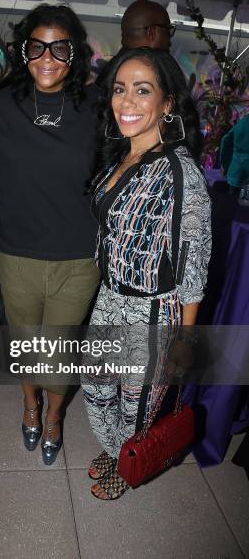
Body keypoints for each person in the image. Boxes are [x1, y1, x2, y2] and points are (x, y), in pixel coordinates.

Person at [82, 47, 211, 499]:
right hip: (110, 296)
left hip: (153, 309)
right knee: (96, 388)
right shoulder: (121, 155)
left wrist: (185, 341)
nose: (127, 101)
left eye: (142, 90)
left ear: (168, 102)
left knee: (136, 407)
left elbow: (194, 263)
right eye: (120, 89)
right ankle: (116, 447)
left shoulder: (181, 171)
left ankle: (128, 462)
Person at [0, 4, 100, 465]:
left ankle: (54, 415)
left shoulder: (95, 107)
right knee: (24, 342)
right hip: (16, 251)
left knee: (59, 348)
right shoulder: (1, 101)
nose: (48, 56)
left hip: (78, 256)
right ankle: (29, 407)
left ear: (74, 53)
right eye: (37, 46)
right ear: (23, 49)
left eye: (59, 46)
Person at [96, 0, 175, 86]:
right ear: (151, 32)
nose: (170, 40)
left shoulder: (111, 70)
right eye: (167, 30)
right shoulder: (153, 70)